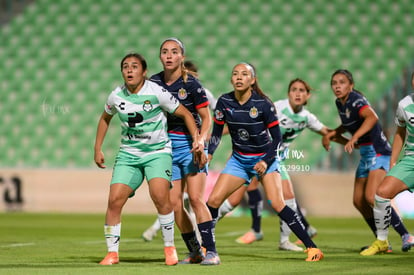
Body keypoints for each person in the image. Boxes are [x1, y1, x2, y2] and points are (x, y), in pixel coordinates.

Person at [206, 62, 324, 262]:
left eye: (244, 74)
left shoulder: (263, 104)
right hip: (239, 160)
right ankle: (207, 248)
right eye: (235, 74)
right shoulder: (224, 102)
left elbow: (277, 140)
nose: (239, 77)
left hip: (266, 160)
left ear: (252, 80)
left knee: (279, 203)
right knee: (212, 202)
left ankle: (312, 248)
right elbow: (216, 134)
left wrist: (265, 161)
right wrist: (209, 154)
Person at [94, 53, 204, 266]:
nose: (129, 70)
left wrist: (197, 141)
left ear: (144, 72)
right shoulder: (116, 95)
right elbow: (105, 118)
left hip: (158, 153)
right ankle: (112, 253)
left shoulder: (156, 92)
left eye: (134, 66)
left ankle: (169, 248)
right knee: (114, 200)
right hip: (129, 154)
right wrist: (97, 148)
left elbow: (186, 114)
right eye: (125, 67)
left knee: (161, 197)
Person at [322, 69, 414, 253]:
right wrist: (334, 134)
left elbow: (372, 117)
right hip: (366, 154)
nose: (337, 86)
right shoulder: (341, 103)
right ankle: (381, 242)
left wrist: (354, 137)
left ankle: (405, 234)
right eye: (334, 83)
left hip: (378, 151)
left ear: (351, 85)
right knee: (359, 201)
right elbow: (349, 123)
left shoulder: (356, 100)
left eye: (342, 82)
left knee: (373, 196)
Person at [150, 38, 218, 265]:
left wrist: (200, 141)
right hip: (165, 148)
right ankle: (195, 251)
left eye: (174, 52)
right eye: (165, 52)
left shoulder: (192, 85)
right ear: (160, 57)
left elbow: (207, 118)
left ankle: (212, 252)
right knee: (175, 205)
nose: (169, 56)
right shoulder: (153, 83)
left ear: (181, 56)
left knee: (197, 200)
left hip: (191, 146)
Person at [361, 71, 414, 255]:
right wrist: (393, 161)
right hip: (411, 160)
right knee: (382, 194)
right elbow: (400, 132)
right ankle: (382, 241)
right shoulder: (405, 105)